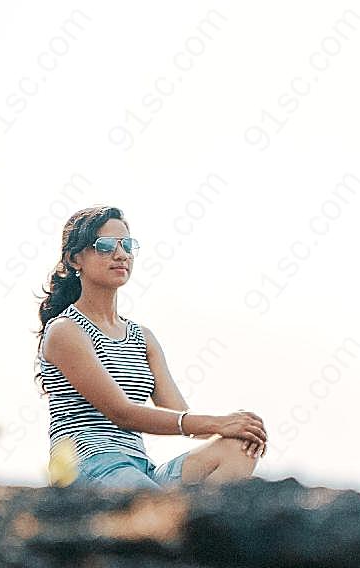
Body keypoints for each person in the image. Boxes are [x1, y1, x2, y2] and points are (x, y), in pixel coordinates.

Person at [33, 205, 267, 490]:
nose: (121, 255)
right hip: (89, 464)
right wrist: (216, 422)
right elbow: (123, 413)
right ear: (74, 259)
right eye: (105, 246)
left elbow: (180, 413)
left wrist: (238, 424)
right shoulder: (65, 331)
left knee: (239, 447)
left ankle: (195, 524)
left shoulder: (142, 337)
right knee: (156, 504)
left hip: (141, 468)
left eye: (127, 245)